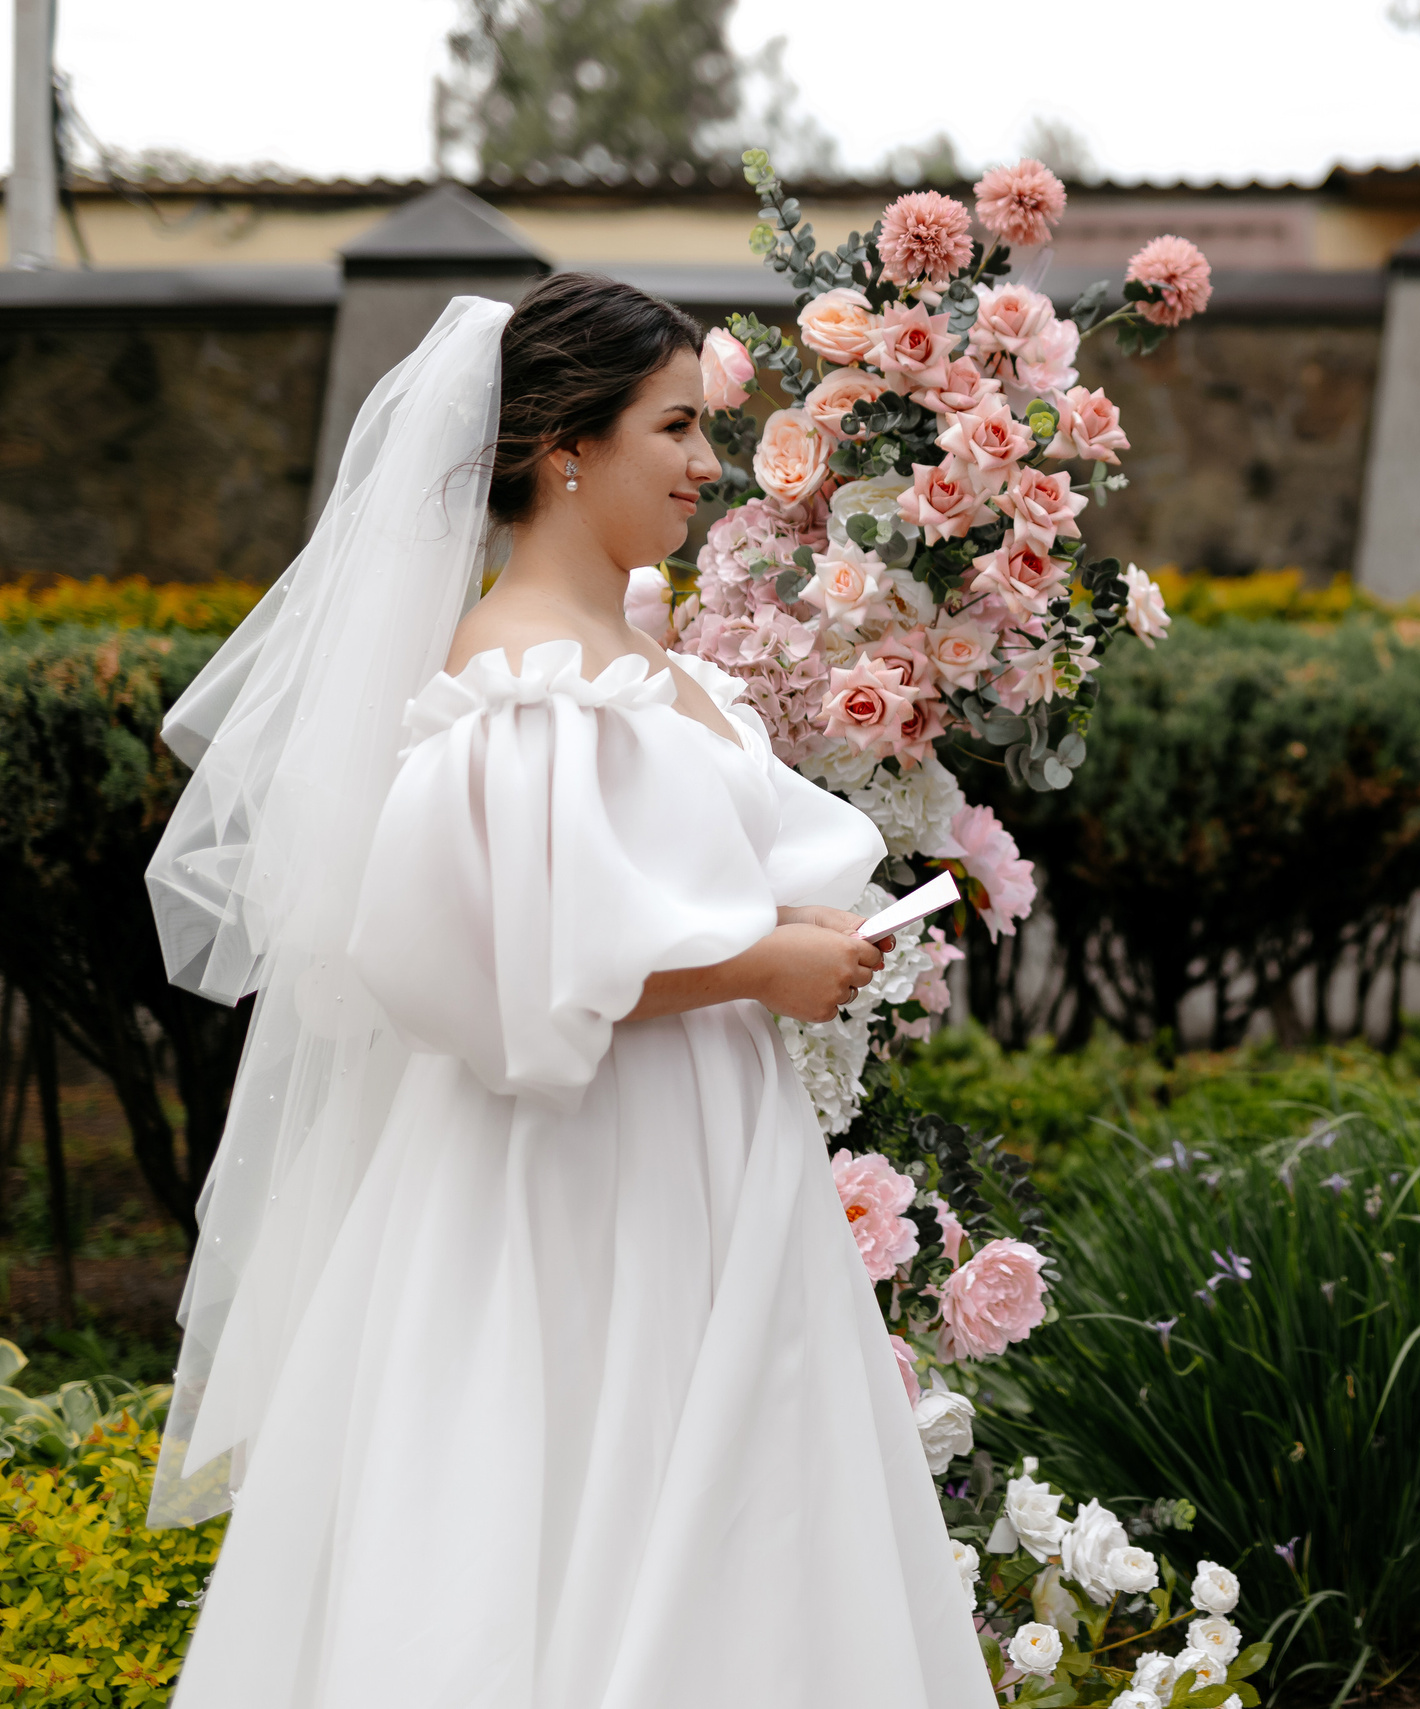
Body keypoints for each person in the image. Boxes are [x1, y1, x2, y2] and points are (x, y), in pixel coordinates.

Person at [144, 276, 994, 1707]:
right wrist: (757, 964)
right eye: (675, 427)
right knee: (582, 1479)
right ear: (566, 448)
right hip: (581, 1172)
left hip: (707, 1148)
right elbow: (505, 969)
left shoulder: (631, 661)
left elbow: (626, 892)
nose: (709, 463)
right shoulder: (519, 677)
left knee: (736, 1511)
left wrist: (781, 922)